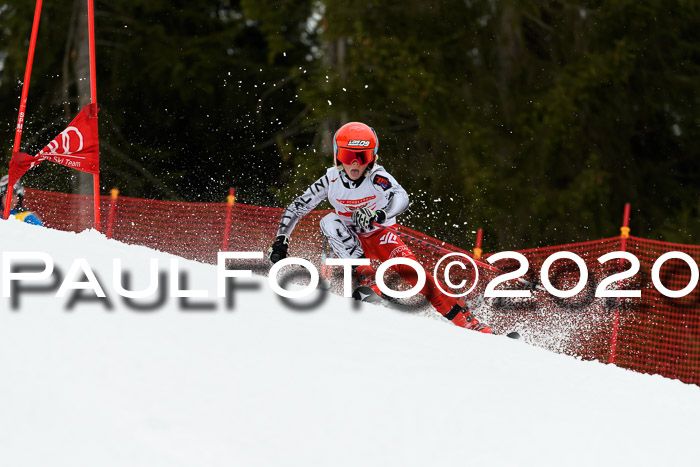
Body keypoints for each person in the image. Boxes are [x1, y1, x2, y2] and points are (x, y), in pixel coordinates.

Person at [267, 122, 491, 333]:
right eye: (347, 156)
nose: (355, 164)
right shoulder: (330, 180)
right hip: (350, 240)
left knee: (416, 276)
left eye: (361, 157)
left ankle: (467, 322)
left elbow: (401, 197)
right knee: (329, 221)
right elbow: (298, 207)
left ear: (372, 158)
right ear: (337, 156)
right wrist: (281, 240)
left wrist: (380, 214)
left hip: (380, 234)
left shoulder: (377, 177)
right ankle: (368, 278)